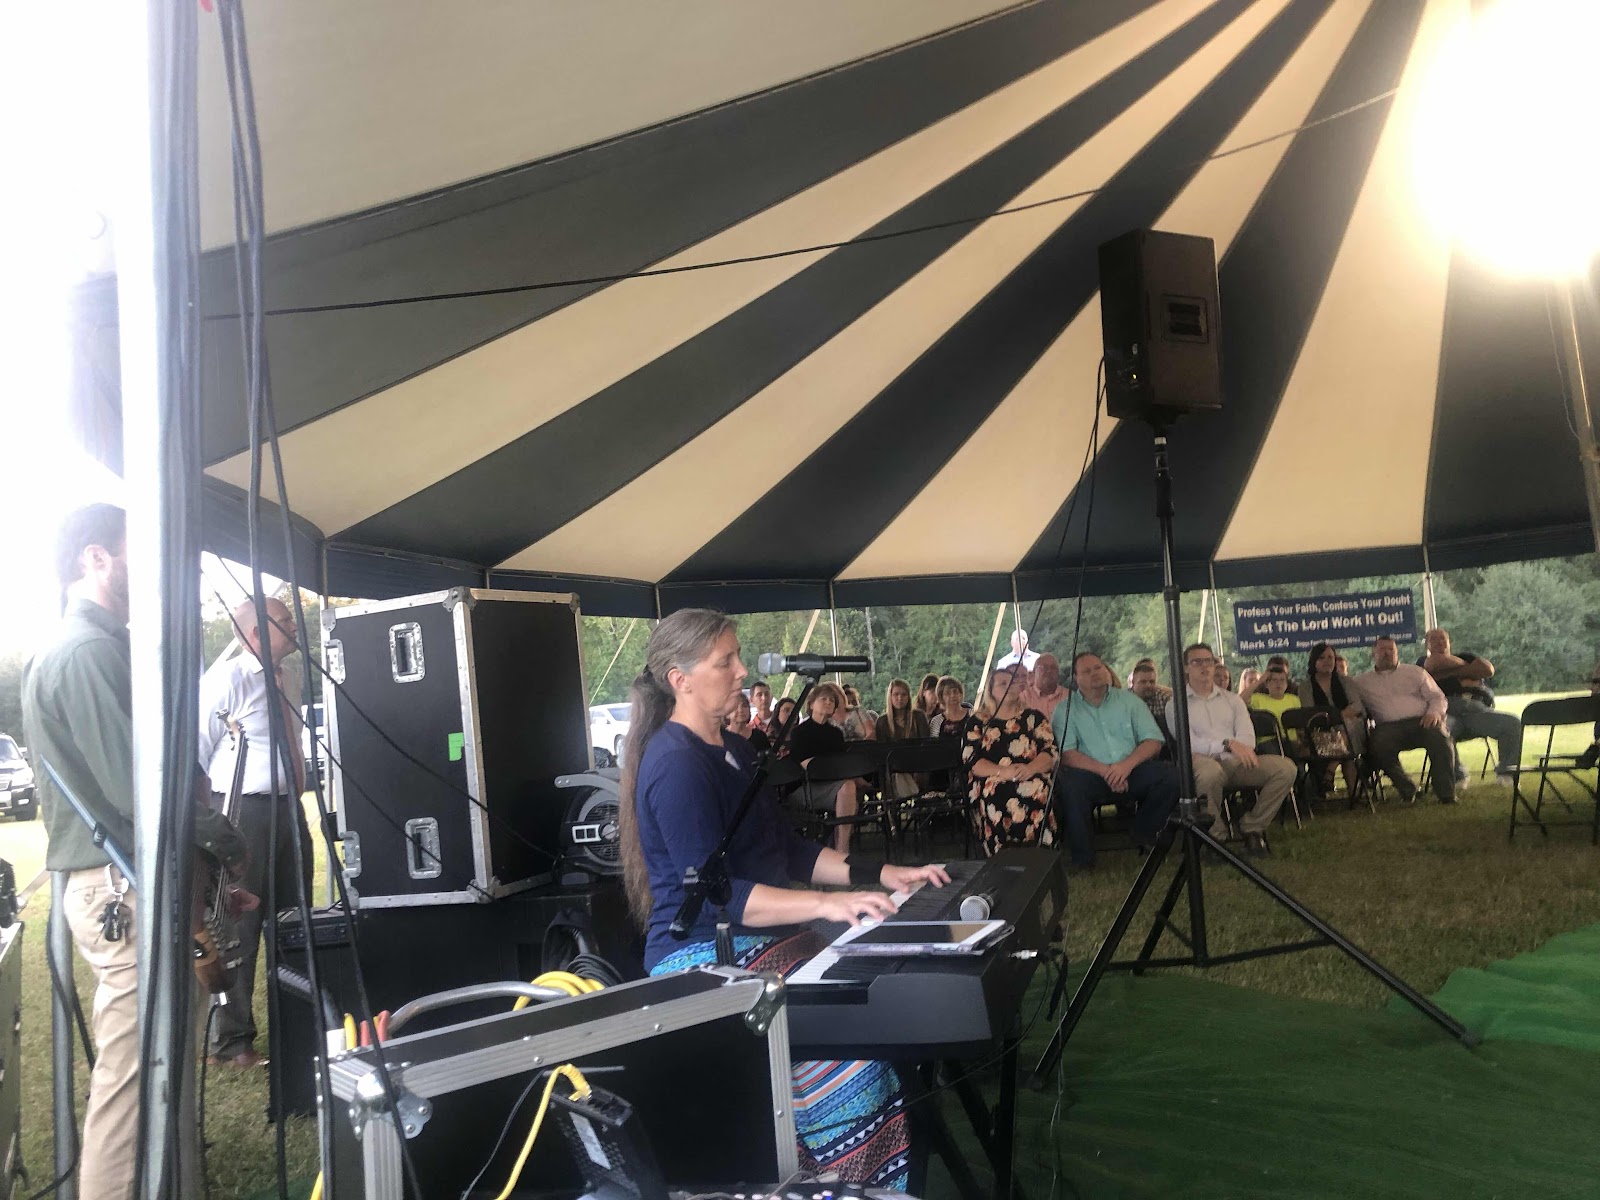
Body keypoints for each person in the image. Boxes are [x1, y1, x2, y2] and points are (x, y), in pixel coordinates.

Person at [618, 609, 946, 1186]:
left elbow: (789, 851)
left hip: (761, 937)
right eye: (726, 661)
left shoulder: (735, 750)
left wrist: (882, 872)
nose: (742, 671)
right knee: (853, 1060)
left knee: (876, 1003)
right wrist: (825, 905)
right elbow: (719, 896)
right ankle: (845, 1181)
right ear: (680, 679)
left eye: (738, 657)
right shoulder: (674, 765)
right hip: (699, 955)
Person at [22, 504, 250, 1200]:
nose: (152, 568)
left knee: (158, 1072)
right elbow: (137, 789)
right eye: (135, 551)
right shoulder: (84, 652)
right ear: (96, 557)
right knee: (130, 1086)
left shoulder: (96, 646)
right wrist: (224, 839)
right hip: (118, 885)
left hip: (130, 879)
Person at [196, 596, 315, 1068]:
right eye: (284, 620)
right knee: (241, 927)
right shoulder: (227, 680)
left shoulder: (290, 677)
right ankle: (231, 1043)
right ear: (254, 632)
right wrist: (211, 827)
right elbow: (195, 753)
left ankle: (296, 1030)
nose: (294, 625)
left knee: (295, 919)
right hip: (243, 812)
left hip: (289, 809)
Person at [1167, 643, 1296, 855]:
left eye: (1208, 661)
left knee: (1285, 768)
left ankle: (1252, 827)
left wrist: (1234, 747)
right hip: (1200, 764)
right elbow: (1188, 743)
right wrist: (1227, 744)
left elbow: (1247, 738)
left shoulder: (1233, 700)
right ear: (1186, 668)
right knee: (1210, 771)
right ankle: (1215, 836)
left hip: (1235, 761)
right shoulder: (1176, 704)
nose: (1204, 667)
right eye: (1197, 662)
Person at [1053, 653, 1179, 869]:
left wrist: (1124, 767)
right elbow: (1067, 754)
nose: (1094, 673)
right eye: (1086, 671)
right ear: (1075, 678)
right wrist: (1106, 771)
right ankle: (1083, 858)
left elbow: (1154, 741)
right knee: (1070, 786)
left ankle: (1144, 832)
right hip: (1091, 774)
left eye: (1098, 667)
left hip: (1131, 769)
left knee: (1170, 777)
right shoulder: (1065, 709)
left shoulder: (1130, 701)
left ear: (1106, 670)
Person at [962, 664, 1058, 854]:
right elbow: (972, 761)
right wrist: (1003, 772)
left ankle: (1040, 852)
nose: (1009, 687)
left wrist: (1030, 769)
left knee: (1037, 787)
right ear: (991, 690)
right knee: (995, 790)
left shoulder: (1033, 717)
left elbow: (1050, 751)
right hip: (993, 776)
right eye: (1002, 684)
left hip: (1030, 772)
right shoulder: (978, 722)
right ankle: (1001, 853)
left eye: (1012, 682)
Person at [1354, 635, 1455, 803]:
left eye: (1391, 649)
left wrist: (1435, 713)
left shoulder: (1415, 672)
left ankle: (1446, 794)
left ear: (1397, 652)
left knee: (1440, 737)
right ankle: (1407, 789)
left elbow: (1437, 697)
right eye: (1382, 649)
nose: (1387, 653)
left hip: (1422, 721)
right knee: (1377, 746)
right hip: (1388, 728)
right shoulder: (1361, 682)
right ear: (1373, 653)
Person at [1418, 628, 1521, 780]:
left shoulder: (1465, 656)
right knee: (1438, 730)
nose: (1440, 642)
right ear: (1426, 645)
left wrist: (1447, 674)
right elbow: (1434, 663)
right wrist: (1467, 673)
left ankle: (1507, 773)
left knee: (1512, 723)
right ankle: (1457, 775)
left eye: (1443, 638)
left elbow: (1487, 670)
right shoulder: (1421, 663)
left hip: (1477, 711)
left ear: (1449, 642)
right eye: (1434, 639)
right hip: (1448, 711)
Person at [788, 683, 860, 850]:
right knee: (849, 793)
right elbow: (806, 765)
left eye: (832, 700)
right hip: (805, 787)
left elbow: (840, 764)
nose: (828, 702)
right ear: (811, 704)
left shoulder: (836, 734)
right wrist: (831, 768)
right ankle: (841, 850)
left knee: (849, 789)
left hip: (833, 785)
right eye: (823, 699)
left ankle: (841, 848)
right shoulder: (799, 732)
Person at [1299, 642, 1365, 794]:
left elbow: (1357, 706)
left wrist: (1337, 718)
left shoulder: (1346, 682)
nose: (1327, 661)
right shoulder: (1305, 687)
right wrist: (1338, 716)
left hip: (1351, 732)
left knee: (1346, 727)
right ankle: (1354, 796)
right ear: (1314, 661)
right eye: (1322, 658)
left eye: (1330, 657)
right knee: (1347, 754)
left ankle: (1330, 770)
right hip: (1321, 734)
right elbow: (1311, 713)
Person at [875, 679, 930, 799]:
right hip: (894, 768)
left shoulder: (919, 717)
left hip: (918, 765)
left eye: (904, 694)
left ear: (908, 697)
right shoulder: (882, 722)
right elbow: (882, 752)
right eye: (896, 694)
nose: (900, 698)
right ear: (890, 697)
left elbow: (926, 745)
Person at [1247, 664, 1301, 752]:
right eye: (1274, 680)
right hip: (1267, 742)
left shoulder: (1294, 699)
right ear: (1266, 684)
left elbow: (1300, 725)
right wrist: (1258, 682)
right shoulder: (1257, 698)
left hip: (1291, 742)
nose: (1278, 683)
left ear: (1287, 684)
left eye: (1282, 680)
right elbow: (1239, 700)